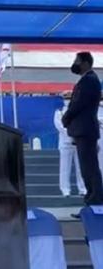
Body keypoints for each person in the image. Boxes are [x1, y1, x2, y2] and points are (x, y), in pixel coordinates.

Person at [62, 52, 103, 206]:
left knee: (89, 169)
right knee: (87, 168)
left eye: (77, 61)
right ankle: (93, 201)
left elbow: (78, 104)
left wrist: (66, 118)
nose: (75, 63)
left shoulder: (89, 81)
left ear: (85, 63)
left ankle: (95, 202)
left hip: (85, 130)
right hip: (83, 130)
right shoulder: (87, 80)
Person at [54, 91, 87, 197]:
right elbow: (60, 126)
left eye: (69, 99)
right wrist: (71, 133)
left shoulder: (78, 112)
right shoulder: (59, 112)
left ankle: (82, 189)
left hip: (78, 142)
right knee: (64, 168)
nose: (67, 101)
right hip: (65, 142)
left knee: (80, 167)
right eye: (66, 99)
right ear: (63, 100)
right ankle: (65, 190)